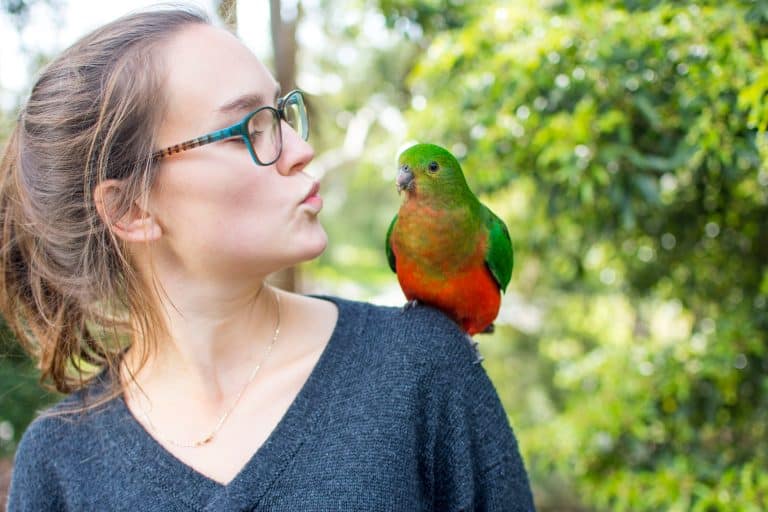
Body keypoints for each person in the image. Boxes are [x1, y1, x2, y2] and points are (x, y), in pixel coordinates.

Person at [1, 5, 535, 511]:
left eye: (282, 114)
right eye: (248, 131)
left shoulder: (423, 367)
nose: (301, 150)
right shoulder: (57, 465)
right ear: (129, 209)